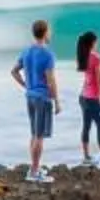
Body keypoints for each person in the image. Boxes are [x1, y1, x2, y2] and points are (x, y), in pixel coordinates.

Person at [9, 18, 60, 182]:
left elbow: (14, 71)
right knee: (39, 136)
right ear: (45, 33)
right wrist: (57, 100)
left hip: (30, 96)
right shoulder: (47, 54)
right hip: (42, 97)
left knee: (34, 134)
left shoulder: (26, 51)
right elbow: (51, 80)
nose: (51, 32)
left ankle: (34, 168)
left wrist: (26, 86)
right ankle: (35, 172)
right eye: (49, 30)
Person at [74, 30, 100, 168]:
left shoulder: (83, 56)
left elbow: (88, 79)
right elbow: (99, 82)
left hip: (83, 97)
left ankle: (86, 157)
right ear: (92, 43)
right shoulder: (96, 58)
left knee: (86, 126)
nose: (98, 44)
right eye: (96, 42)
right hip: (92, 99)